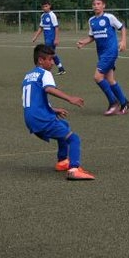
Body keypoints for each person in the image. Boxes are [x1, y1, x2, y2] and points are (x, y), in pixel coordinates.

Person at [22, 44, 94, 180]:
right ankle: (73, 170)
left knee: (64, 125)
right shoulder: (45, 73)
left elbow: (33, 99)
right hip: (40, 118)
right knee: (74, 139)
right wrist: (70, 98)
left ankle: (62, 161)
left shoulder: (28, 76)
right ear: (41, 60)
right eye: (50, 59)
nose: (53, 63)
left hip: (30, 117)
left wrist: (53, 110)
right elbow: (49, 89)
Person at [76, 0, 129, 116]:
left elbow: (122, 28)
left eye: (98, 4)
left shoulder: (109, 17)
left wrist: (123, 41)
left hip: (110, 52)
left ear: (103, 6)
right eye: (94, 4)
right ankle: (124, 103)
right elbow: (92, 37)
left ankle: (113, 102)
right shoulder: (91, 20)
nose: (96, 6)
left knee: (97, 77)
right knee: (110, 79)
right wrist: (83, 42)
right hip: (101, 53)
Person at [31, 0, 66, 75]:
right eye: (43, 7)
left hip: (51, 39)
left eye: (46, 6)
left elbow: (56, 27)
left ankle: (45, 69)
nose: (45, 8)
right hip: (46, 39)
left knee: (45, 54)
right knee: (52, 54)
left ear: (49, 6)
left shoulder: (52, 15)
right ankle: (61, 68)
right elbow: (41, 27)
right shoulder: (43, 16)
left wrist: (56, 39)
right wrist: (35, 37)